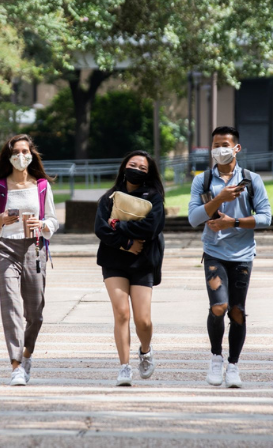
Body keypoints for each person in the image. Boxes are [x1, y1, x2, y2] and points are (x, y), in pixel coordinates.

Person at [188, 126, 272, 388]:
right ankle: (216, 358)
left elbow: (266, 218)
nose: (219, 150)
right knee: (219, 306)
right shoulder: (202, 181)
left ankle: (233, 366)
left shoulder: (251, 179)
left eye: (225, 144)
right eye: (215, 145)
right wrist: (220, 198)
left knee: (237, 311)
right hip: (214, 253)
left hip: (242, 255)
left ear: (236, 148)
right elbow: (193, 219)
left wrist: (232, 222)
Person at [0, 134, 59, 386]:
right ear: (9, 156)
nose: (20, 156)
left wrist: (43, 224)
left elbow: (53, 220)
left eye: (25, 151)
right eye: (15, 152)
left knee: (35, 314)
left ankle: (26, 355)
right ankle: (16, 365)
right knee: (11, 307)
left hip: (35, 247)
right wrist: (0, 221)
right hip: (6, 248)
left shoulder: (41, 186)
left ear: (31, 154)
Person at [94, 150, 165, 386]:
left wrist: (120, 224)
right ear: (124, 167)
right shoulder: (109, 197)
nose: (136, 169)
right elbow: (101, 229)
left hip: (143, 262)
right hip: (114, 261)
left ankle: (145, 351)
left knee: (143, 320)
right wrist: (125, 243)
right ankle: (124, 367)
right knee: (121, 313)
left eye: (142, 167)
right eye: (132, 164)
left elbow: (151, 228)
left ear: (149, 173)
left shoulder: (154, 197)